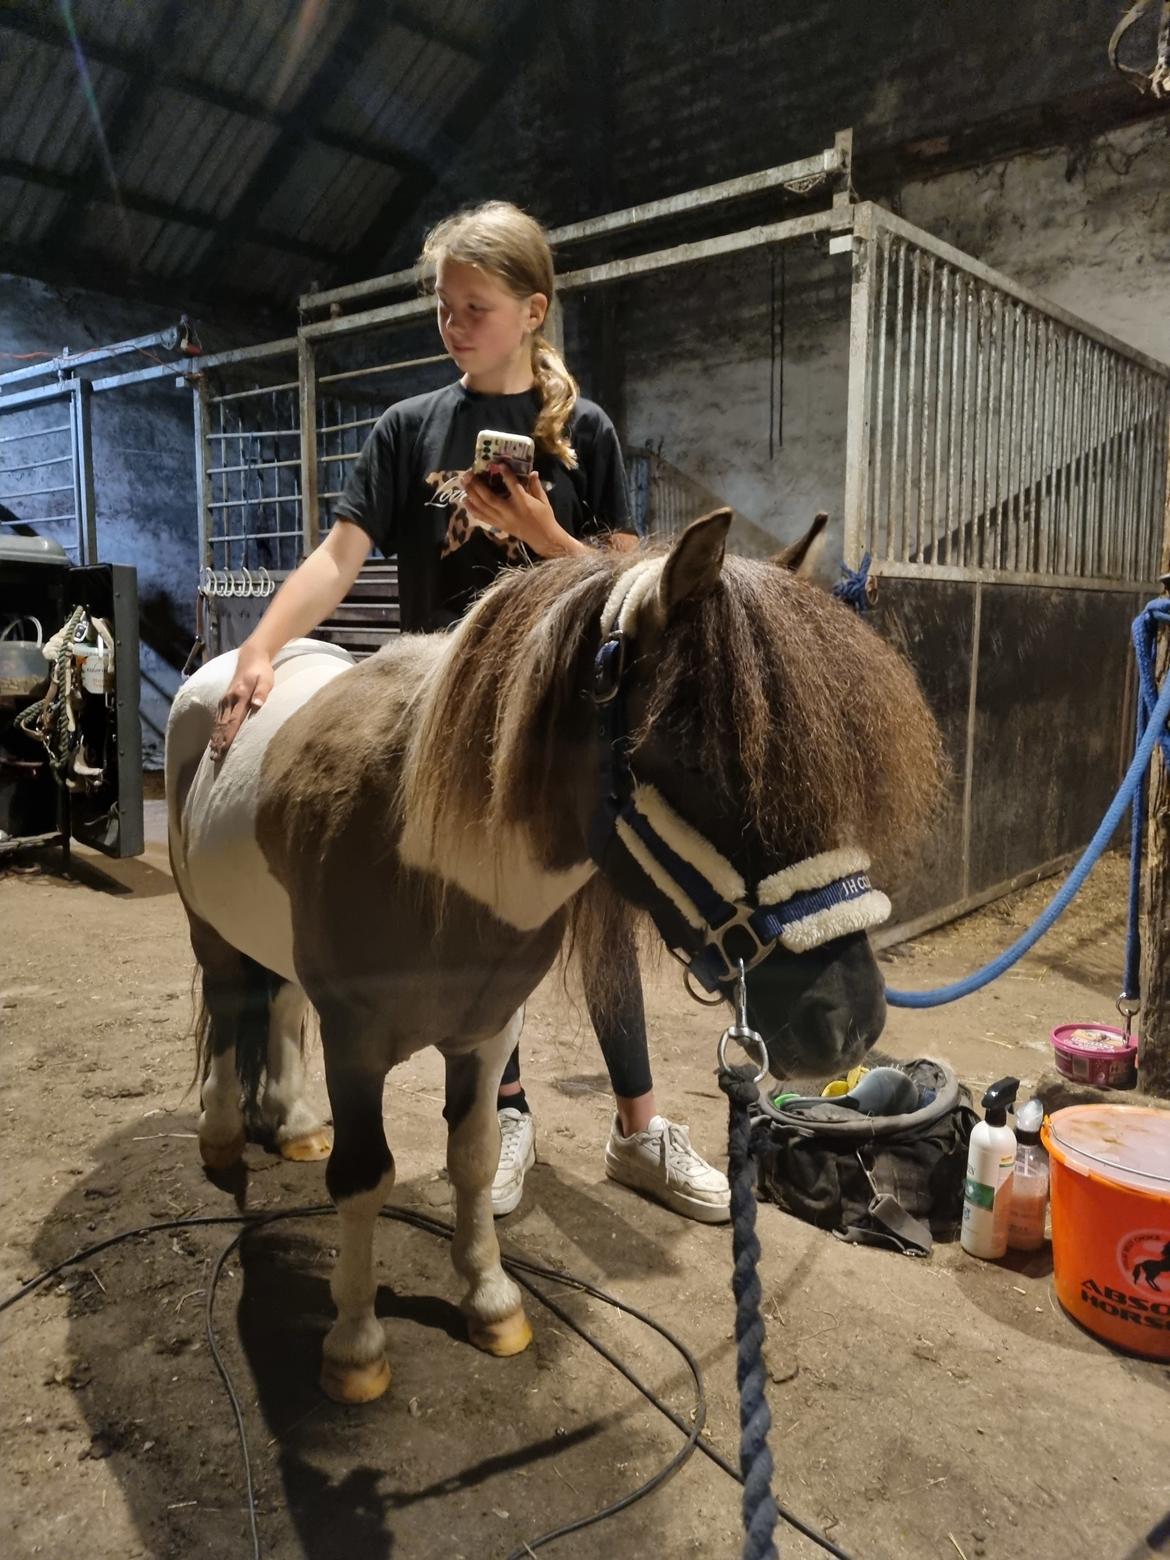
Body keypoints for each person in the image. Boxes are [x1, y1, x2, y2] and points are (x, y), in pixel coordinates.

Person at [209, 201, 730, 1225]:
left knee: (603, 918)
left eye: (474, 308)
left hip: (565, 718)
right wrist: (260, 648)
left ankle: (640, 1129)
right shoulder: (409, 429)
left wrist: (538, 530)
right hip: (444, 715)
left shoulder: (586, 433)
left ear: (533, 311)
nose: (453, 326)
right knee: (479, 921)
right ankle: (511, 1105)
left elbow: (631, 595)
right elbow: (337, 556)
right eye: (444, 310)